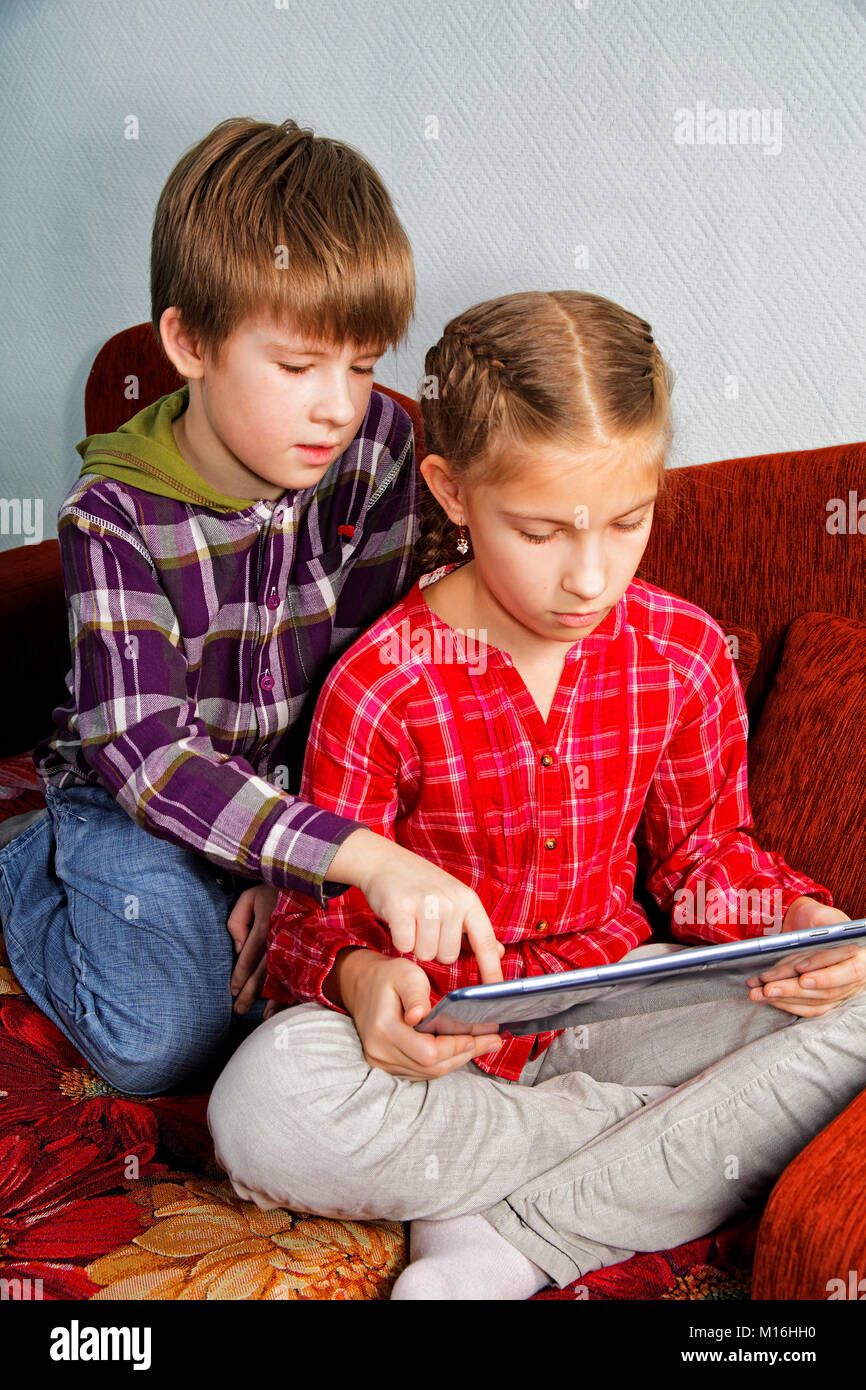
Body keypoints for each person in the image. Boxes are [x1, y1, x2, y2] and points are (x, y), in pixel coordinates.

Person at [207, 289, 866, 1301]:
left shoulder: (682, 652)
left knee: (862, 994)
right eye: (541, 530)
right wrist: (355, 981)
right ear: (453, 491)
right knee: (264, 1104)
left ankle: (497, 1229)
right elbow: (310, 916)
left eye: (625, 521)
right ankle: (658, 1135)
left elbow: (700, 865)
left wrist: (789, 918)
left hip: (619, 996)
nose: (589, 575)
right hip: (443, 1041)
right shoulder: (383, 679)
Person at [0, 116, 504, 1099]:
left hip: (301, 792)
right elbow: (147, 755)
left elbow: (367, 675)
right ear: (189, 342)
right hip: (131, 800)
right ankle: (27, 865)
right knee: (166, 1042)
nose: (336, 406)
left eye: (359, 365)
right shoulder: (111, 516)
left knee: (327, 992)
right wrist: (357, 860)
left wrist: (300, 875)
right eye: (297, 366)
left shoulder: (378, 451)